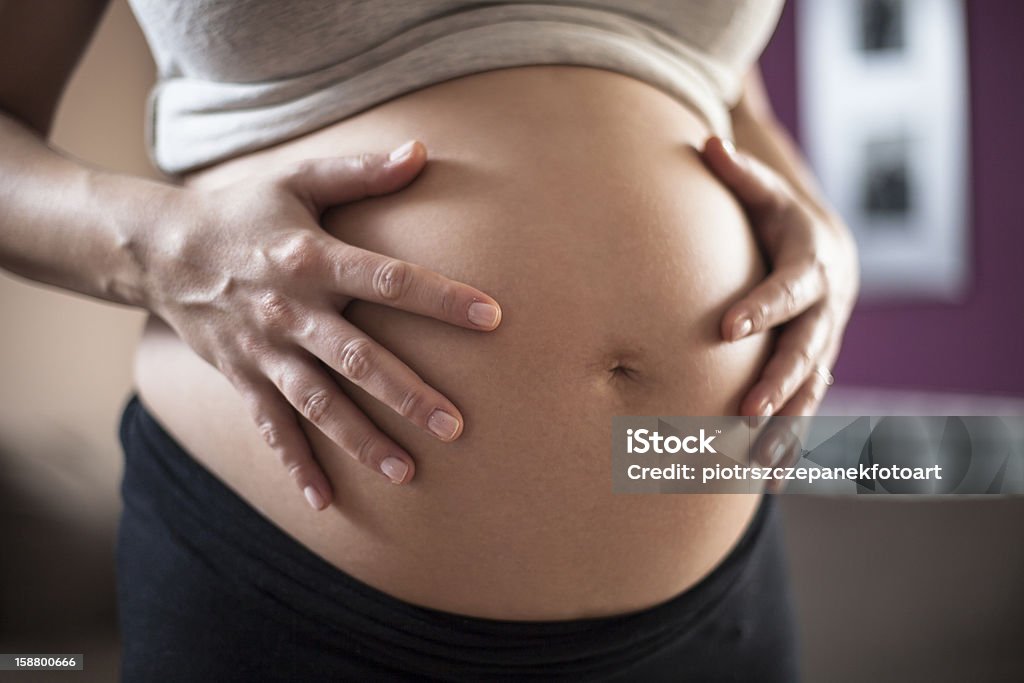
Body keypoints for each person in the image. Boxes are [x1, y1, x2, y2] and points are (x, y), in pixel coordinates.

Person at [0, 0, 858, 679]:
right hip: (290, 581)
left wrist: (822, 221)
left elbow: (720, 81)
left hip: (712, 593)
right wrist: (169, 251)